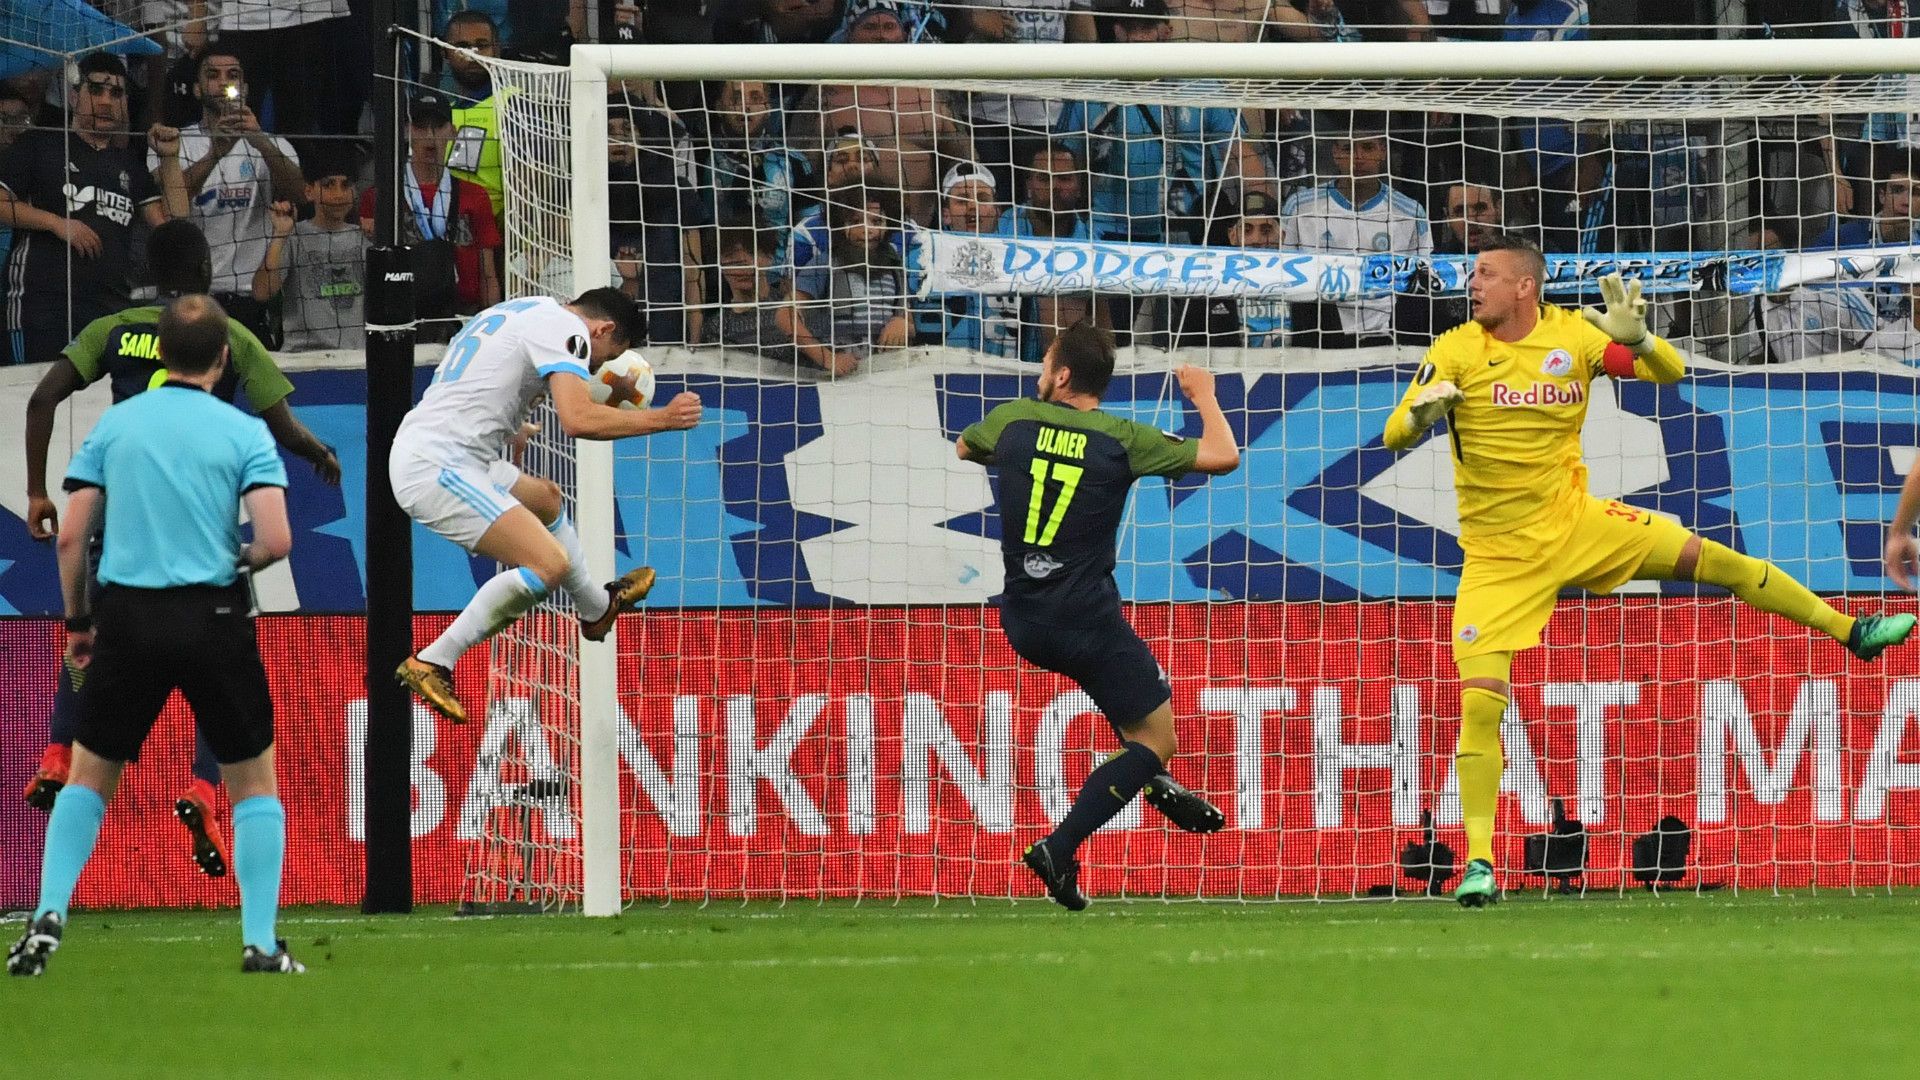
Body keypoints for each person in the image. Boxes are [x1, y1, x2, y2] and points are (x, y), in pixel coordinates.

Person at [1381, 235, 1916, 909]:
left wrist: (1642, 339)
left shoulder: (1572, 337)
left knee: (1715, 559)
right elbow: (1396, 431)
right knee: (1481, 703)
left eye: (1485, 273)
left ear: (1524, 286)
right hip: (1497, 557)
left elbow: (1666, 374)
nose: (1472, 283)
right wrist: (1420, 416)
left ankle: (1851, 632)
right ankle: (1482, 862)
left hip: (1580, 526)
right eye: (1472, 274)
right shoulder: (1457, 347)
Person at [21, 219, 339, 877]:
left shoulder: (112, 331)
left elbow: (45, 396)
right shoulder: (227, 336)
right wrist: (316, 452)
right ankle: (204, 787)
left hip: (122, 501)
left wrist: (35, 492)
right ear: (202, 271)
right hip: (199, 517)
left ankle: (57, 751)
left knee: (87, 630)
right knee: (214, 665)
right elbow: (280, 424)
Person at [8, 294, 303, 977]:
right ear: (225, 357)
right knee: (254, 785)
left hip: (129, 619)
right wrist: (243, 559)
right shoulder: (242, 431)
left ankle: (48, 913)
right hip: (215, 618)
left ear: (160, 355)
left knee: (89, 777)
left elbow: (73, 537)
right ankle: (260, 943)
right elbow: (278, 538)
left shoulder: (117, 426)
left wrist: (79, 623)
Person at [956, 322, 1240, 910]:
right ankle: (1064, 843)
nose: (1039, 374)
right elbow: (1223, 455)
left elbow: (964, 445)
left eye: (1045, 364)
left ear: (1061, 376)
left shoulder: (1012, 419)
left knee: (1129, 721)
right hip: (1086, 620)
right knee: (1157, 739)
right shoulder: (1121, 437)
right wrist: (1202, 394)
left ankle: (1142, 778)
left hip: (1023, 623)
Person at [392, 288, 704, 724]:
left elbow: (476, 374)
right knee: (549, 566)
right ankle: (433, 660)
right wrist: (663, 419)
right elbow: (577, 419)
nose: (592, 370)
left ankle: (597, 609)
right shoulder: (569, 330)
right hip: (438, 465)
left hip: (450, 451)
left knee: (546, 499)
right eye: (601, 360)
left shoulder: (525, 306)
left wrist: (510, 426)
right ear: (604, 329)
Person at [1, 53, 185, 367]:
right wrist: (58, 224)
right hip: (40, 311)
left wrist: (169, 159)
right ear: (74, 96)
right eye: (96, 90)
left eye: (116, 93)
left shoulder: (130, 166)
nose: (106, 101)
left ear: (126, 102)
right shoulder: (40, 144)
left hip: (108, 318)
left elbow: (176, 231)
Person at [154, 47, 305, 344]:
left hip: (253, 296)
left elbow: (299, 194)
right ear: (197, 89)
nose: (224, 82)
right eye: (213, 75)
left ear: (245, 88)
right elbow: (171, 206)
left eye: (233, 75)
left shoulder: (273, 144)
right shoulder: (174, 142)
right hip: (195, 297)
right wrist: (215, 154)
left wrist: (259, 140)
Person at [1280, 117, 1431, 346]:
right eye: (1348, 148)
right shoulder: (1300, 206)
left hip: (1389, 329)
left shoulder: (1410, 211)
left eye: (1367, 147)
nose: (1357, 157)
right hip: (1319, 327)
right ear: (1335, 153)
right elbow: (1283, 273)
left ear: (1382, 151)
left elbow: (1422, 278)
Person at [257, 153, 368, 351]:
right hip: (303, 357)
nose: (338, 193)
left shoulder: (366, 240)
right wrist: (280, 234)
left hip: (355, 357)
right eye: (328, 185)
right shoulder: (294, 236)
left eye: (345, 185)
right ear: (309, 192)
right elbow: (262, 292)